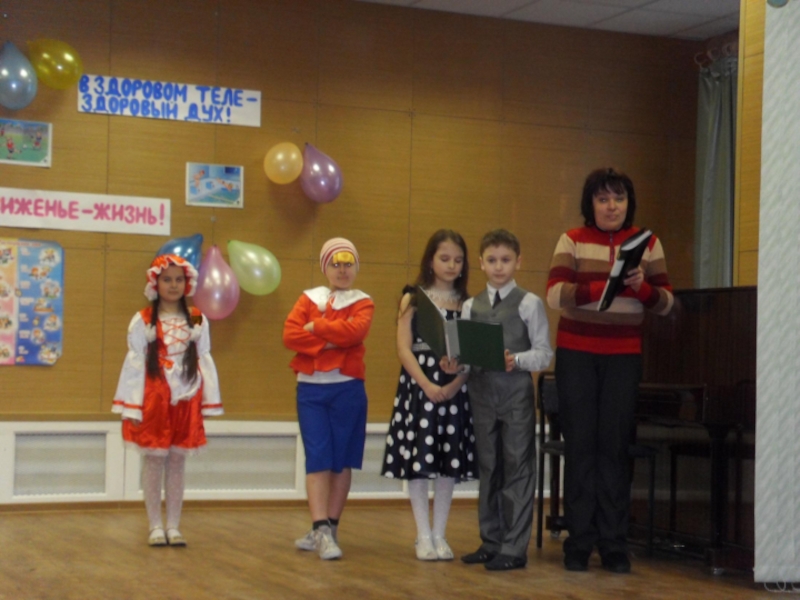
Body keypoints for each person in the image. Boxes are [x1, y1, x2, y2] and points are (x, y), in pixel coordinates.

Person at [546, 167, 673, 574]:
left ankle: (614, 544)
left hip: (623, 356)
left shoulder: (648, 243)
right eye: (603, 199)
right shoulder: (572, 239)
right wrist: (606, 287)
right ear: (591, 204)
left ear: (628, 203)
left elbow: (668, 304)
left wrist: (641, 288)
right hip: (576, 355)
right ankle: (579, 543)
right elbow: (554, 295)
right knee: (581, 447)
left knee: (614, 449)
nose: (611, 206)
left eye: (618, 198)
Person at [112, 254, 223, 547]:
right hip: (155, 397)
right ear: (155, 283)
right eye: (167, 279)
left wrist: (208, 400)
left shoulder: (197, 316)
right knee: (154, 460)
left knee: (177, 462)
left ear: (187, 283)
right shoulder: (142, 319)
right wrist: (132, 404)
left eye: (178, 279)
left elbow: (203, 357)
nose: (173, 285)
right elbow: (135, 364)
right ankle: (154, 526)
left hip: (186, 396)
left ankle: (173, 525)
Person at [380, 229, 477, 561]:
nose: (451, 265)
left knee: (449, 463)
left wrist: (453, 386)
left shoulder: (468, 304)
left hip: (454, 391)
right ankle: (422, 535)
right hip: (419, 388)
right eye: (444, 258)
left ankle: (440, 534)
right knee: (419, 461)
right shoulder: (413, 298)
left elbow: (472, 356)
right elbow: (403, 348)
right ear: (430, 260)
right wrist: (427, 385)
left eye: (458, 260)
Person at [459, 229, 553, 571]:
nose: (499, 267)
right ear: (481, 263)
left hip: (515, 393)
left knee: (517, 465)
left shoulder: (529, 303)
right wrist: (455, 362)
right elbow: (466, 355)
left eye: (506, 260)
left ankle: (513, 547)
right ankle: (491, 541)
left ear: (518, 262)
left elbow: (544, 353)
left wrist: (518, 360)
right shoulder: (470, 306)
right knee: (488, 466)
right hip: (481, 393)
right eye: (492, 260)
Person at [283, 238, 375, 561]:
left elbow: (355, 333)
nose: (342, 270)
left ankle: (330, 529)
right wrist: (332, 341)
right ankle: (319, 528)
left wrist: (317, 327)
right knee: (318, 456)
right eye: (336, 264)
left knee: (341, 459)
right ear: (326, 268)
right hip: (310, 390)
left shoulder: (363, 302)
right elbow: (290, 334)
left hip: (348, 389)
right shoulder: (308, 298)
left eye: (348, 264)